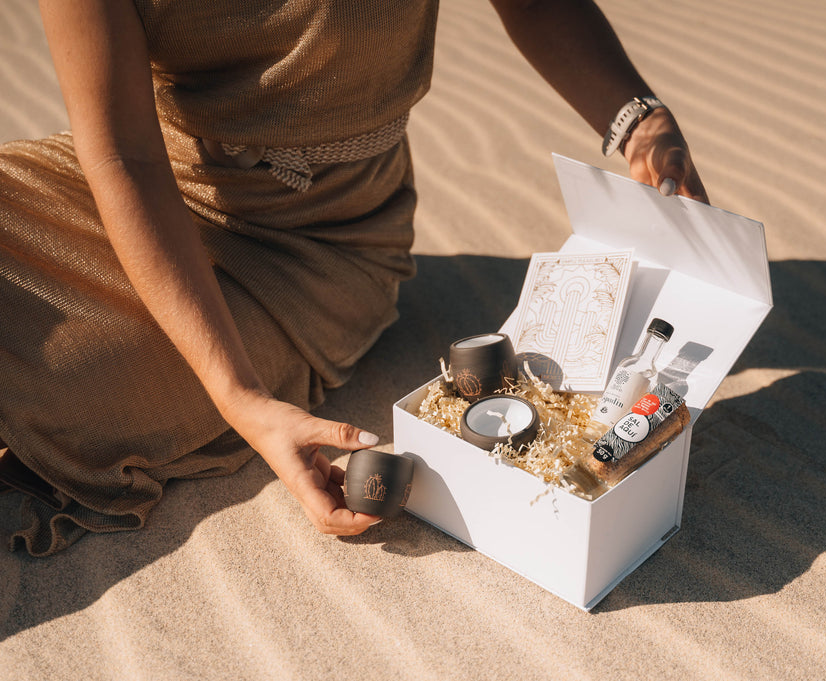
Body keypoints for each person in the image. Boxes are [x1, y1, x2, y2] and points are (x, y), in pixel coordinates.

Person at [0, 0, 708, 556]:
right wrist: (240, 396)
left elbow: (532, 2)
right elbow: (125, 156)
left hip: (315, 246)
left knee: (67, 384)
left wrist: (636, 120)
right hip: (137, 188)